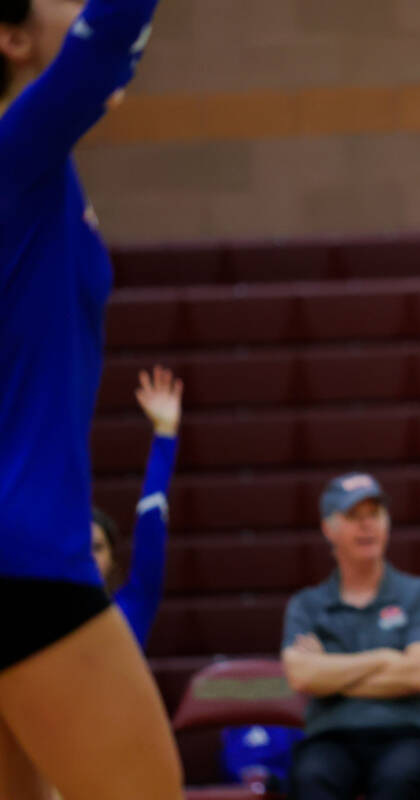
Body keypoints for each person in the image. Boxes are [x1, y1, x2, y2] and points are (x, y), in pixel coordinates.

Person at [0, 0, 181, 797]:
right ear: (9, 38)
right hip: (25, 554)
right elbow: (109, 35)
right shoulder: (17, 152)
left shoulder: (35, 165)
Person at [281, 472, 420, 800]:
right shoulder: (307, 605)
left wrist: (330, 671)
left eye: (374, 514)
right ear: (328, 528)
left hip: (409, 735)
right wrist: (386, 659)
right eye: (353, 517)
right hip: (330, 738)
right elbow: (302, 676)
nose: (367, 525)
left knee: (401, 778)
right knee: (311, 776)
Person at [91, 365, 182, 648]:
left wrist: (165, 432)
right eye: (79, 548)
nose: (88, 557)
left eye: (96, 548)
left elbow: (151, 519)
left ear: (112, 560)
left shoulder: (134, 603)